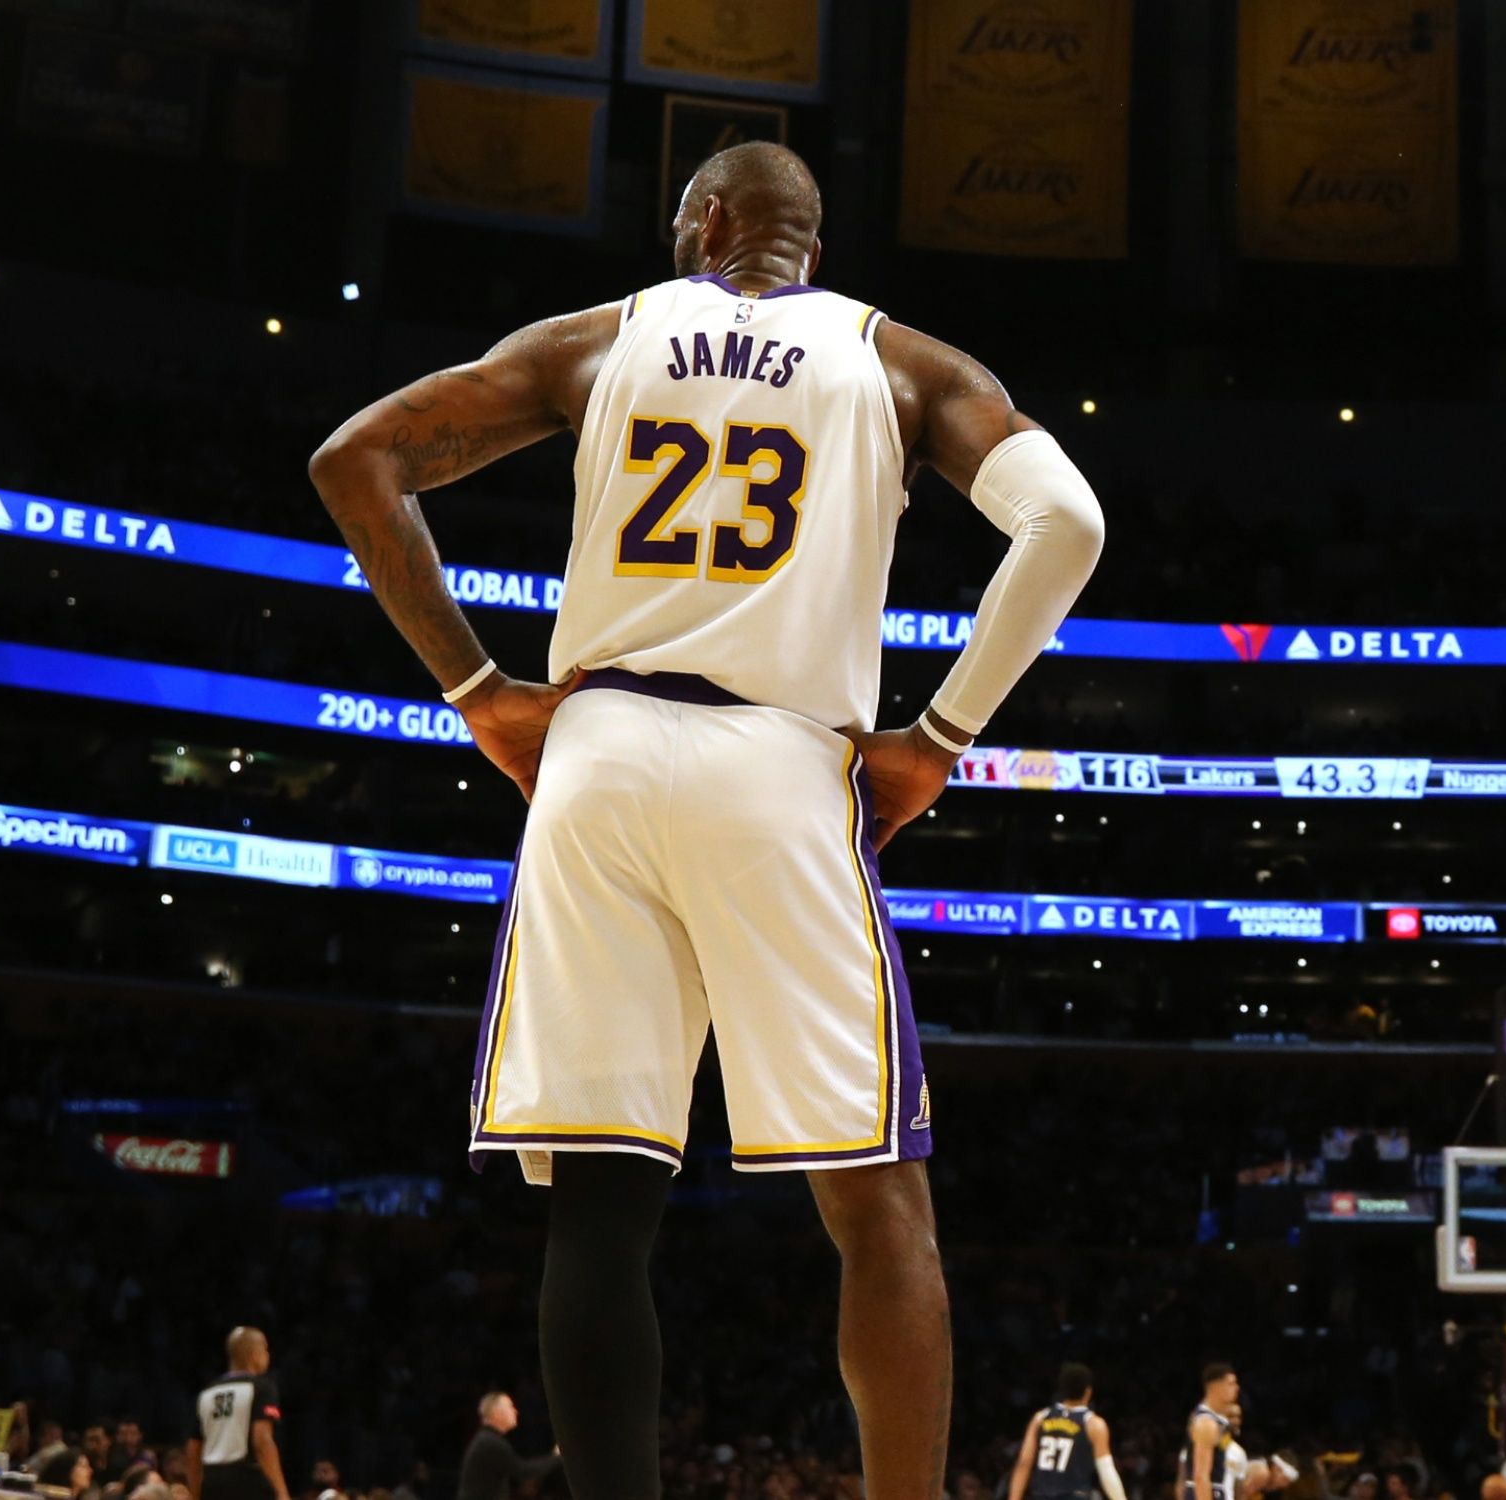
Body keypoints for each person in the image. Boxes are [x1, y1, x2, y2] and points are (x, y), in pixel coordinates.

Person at [307, 141, 1104, 1500]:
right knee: (873, 1198)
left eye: (681, 219)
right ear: (812, 250)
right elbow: (1069, 526)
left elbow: (354, 460)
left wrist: (480, 690)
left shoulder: (601, 336)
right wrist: (939, 739)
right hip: (784, 766)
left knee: (601, 1208)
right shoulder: (900, 362)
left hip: (598, 752)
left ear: (712, 222)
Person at [195, 1327, 288, 1500]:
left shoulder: (206, 1393)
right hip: (247, 1480)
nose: (268, 1355)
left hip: (212, 1481)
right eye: (265, 1349)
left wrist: (195, 1492)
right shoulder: (262, 1387)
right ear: (254, 1354)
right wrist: (281, 1492)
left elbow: (193, 1448)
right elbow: (262, 1441)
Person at [1007, 1364, 1123, 1500]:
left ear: (1062, 1390)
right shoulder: (1094, 1424)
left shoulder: (1040, 1418)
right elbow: (1106, 1471)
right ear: (1088, 1391)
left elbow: (1024, 1463)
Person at [458, 1393, 562, 1500]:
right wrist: (555, 1457)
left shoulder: (487, 1440)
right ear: (496, 1413)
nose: (515, 1411)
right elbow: (523, 1471)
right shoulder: (490, 1443)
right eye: (510, 1406)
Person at [1180, 1366, 1242, 1500]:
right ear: (1215, 1387)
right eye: (1231, 1383)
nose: (1237, 1388)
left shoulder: (1214, 1419)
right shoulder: (1206, 1423)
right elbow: (1201, 1476)